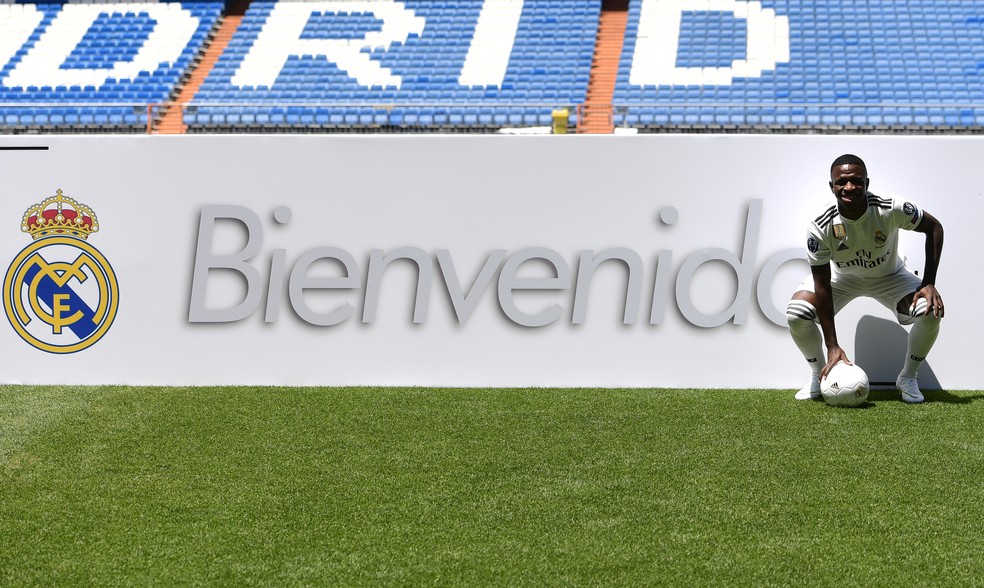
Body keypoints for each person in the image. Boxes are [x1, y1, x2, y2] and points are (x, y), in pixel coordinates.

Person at [786, 153, 944, 403]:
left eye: (856, 181)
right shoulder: (820, 224)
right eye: (842, 182)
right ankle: (819, 374)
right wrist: (832, 345)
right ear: (832, 186)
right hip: (842, 279)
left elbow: (934, 227)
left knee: (930, 310)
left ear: (867, 183)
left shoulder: (890, 207)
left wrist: (929, 283)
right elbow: (822, 284)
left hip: (890, 276)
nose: (849, 187)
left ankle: (908, 377)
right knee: (797, 312)